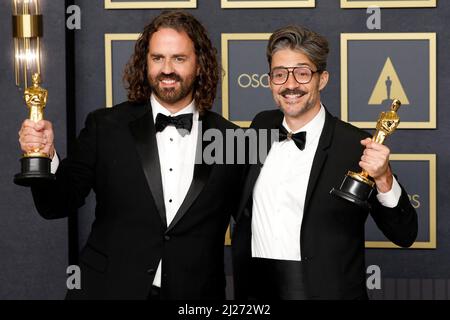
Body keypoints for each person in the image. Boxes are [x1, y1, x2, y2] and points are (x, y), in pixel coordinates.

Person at [18, 10, 243, 300]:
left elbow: (255, 223)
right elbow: (57, 204)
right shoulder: (106, 126)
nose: (167, 69)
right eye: (157, 58)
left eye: (179, 58)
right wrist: (45, 156)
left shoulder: (232, 140)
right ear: (144, 62)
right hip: (107, 290)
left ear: (200, 65)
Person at [232, 25, 418, 300]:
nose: (290, 85)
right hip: (256, 292)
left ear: (323, 79)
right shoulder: (260, 126)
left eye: (303, 73)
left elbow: (405, 234)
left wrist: (383, 179)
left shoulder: (354, 145)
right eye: (280, 74)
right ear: (270, 81)